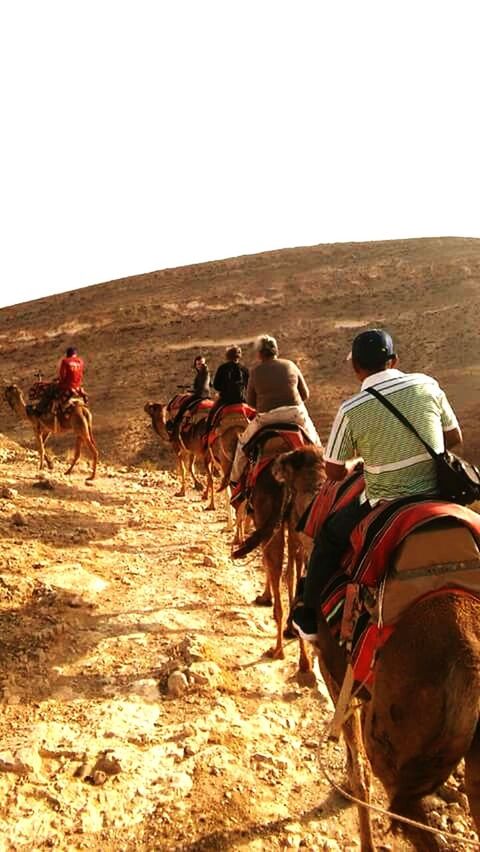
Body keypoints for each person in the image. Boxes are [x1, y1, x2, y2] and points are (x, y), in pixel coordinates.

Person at [293, 328, 462, 638]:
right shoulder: (428, 384)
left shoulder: (351, 409)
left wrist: (369, 455)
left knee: (329, 537)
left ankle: (307, 616)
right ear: (394, 360)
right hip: (441, 494)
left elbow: (332, 472)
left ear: (356, 368)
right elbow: (454, 438)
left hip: (385, 502)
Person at [227, 335, 321, 485]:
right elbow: (305, 395)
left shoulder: (255, 371)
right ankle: (325, 475)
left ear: (259, 353)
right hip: (295, 415)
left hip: (266, 419)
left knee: (242, 445)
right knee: (315, 443)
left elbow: (250, 402)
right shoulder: (290, 365)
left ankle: (234, 480)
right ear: (276, 350)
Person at [204, 345, 250, 433]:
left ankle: (206, 435)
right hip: (241, 400)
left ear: (228, 355)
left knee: (212, 415)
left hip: (225, 400)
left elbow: (217, 386)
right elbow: (248, 386)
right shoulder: (244, 369)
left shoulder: (223, 368)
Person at [169, 355, 211, 433]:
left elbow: (202, 386)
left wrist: (193, 391)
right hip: (206, 394)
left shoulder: (204, 372)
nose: (200, 366)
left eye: (201, 364)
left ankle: (174, 424)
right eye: (198, 364)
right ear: (195, 365)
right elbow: (209, 384)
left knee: (184, 405)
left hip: (200, 395)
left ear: (205, 364)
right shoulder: (205, 373)